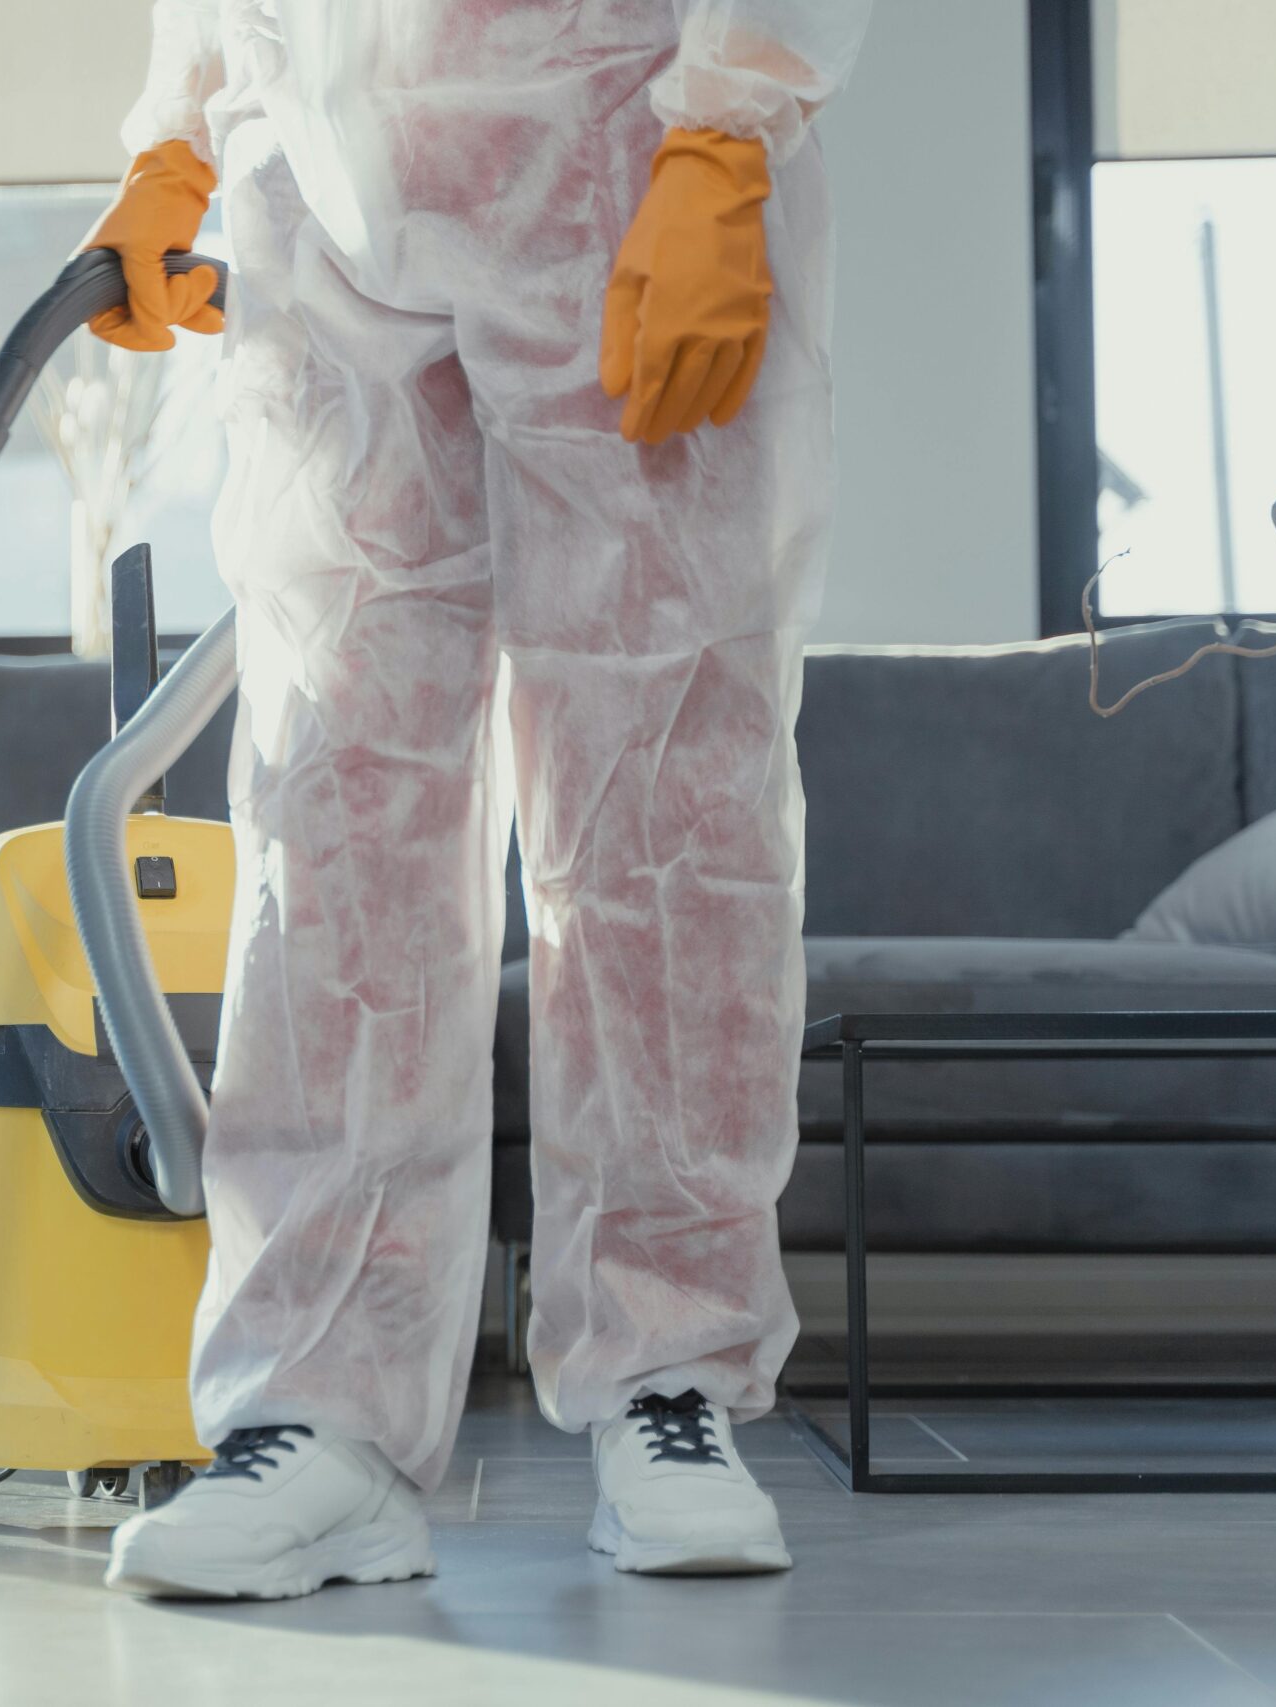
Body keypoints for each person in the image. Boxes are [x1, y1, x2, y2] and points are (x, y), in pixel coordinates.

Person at [80, 0, 872, 1600]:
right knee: (334, 816)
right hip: (316, 177)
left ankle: (671, 1380)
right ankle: (317, 1411)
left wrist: (726, 129)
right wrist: (176, 124)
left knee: (660, 801)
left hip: (621, 140)